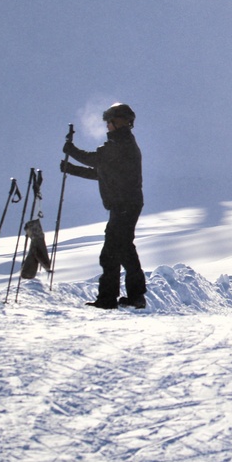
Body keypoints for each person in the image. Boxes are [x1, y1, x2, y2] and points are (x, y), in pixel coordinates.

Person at [61, 103, 147, 309]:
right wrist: (71, 169)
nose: (107, 126)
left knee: (110, 252)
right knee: (124, 249)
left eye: (109, 122)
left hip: (124, 205)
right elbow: (101, 172)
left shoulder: (121, 144)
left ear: (118, 122)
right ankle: (136, 296)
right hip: (127, 204)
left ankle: (108, 299)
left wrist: (70, 151)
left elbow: (95, 160)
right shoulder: (122, 143)